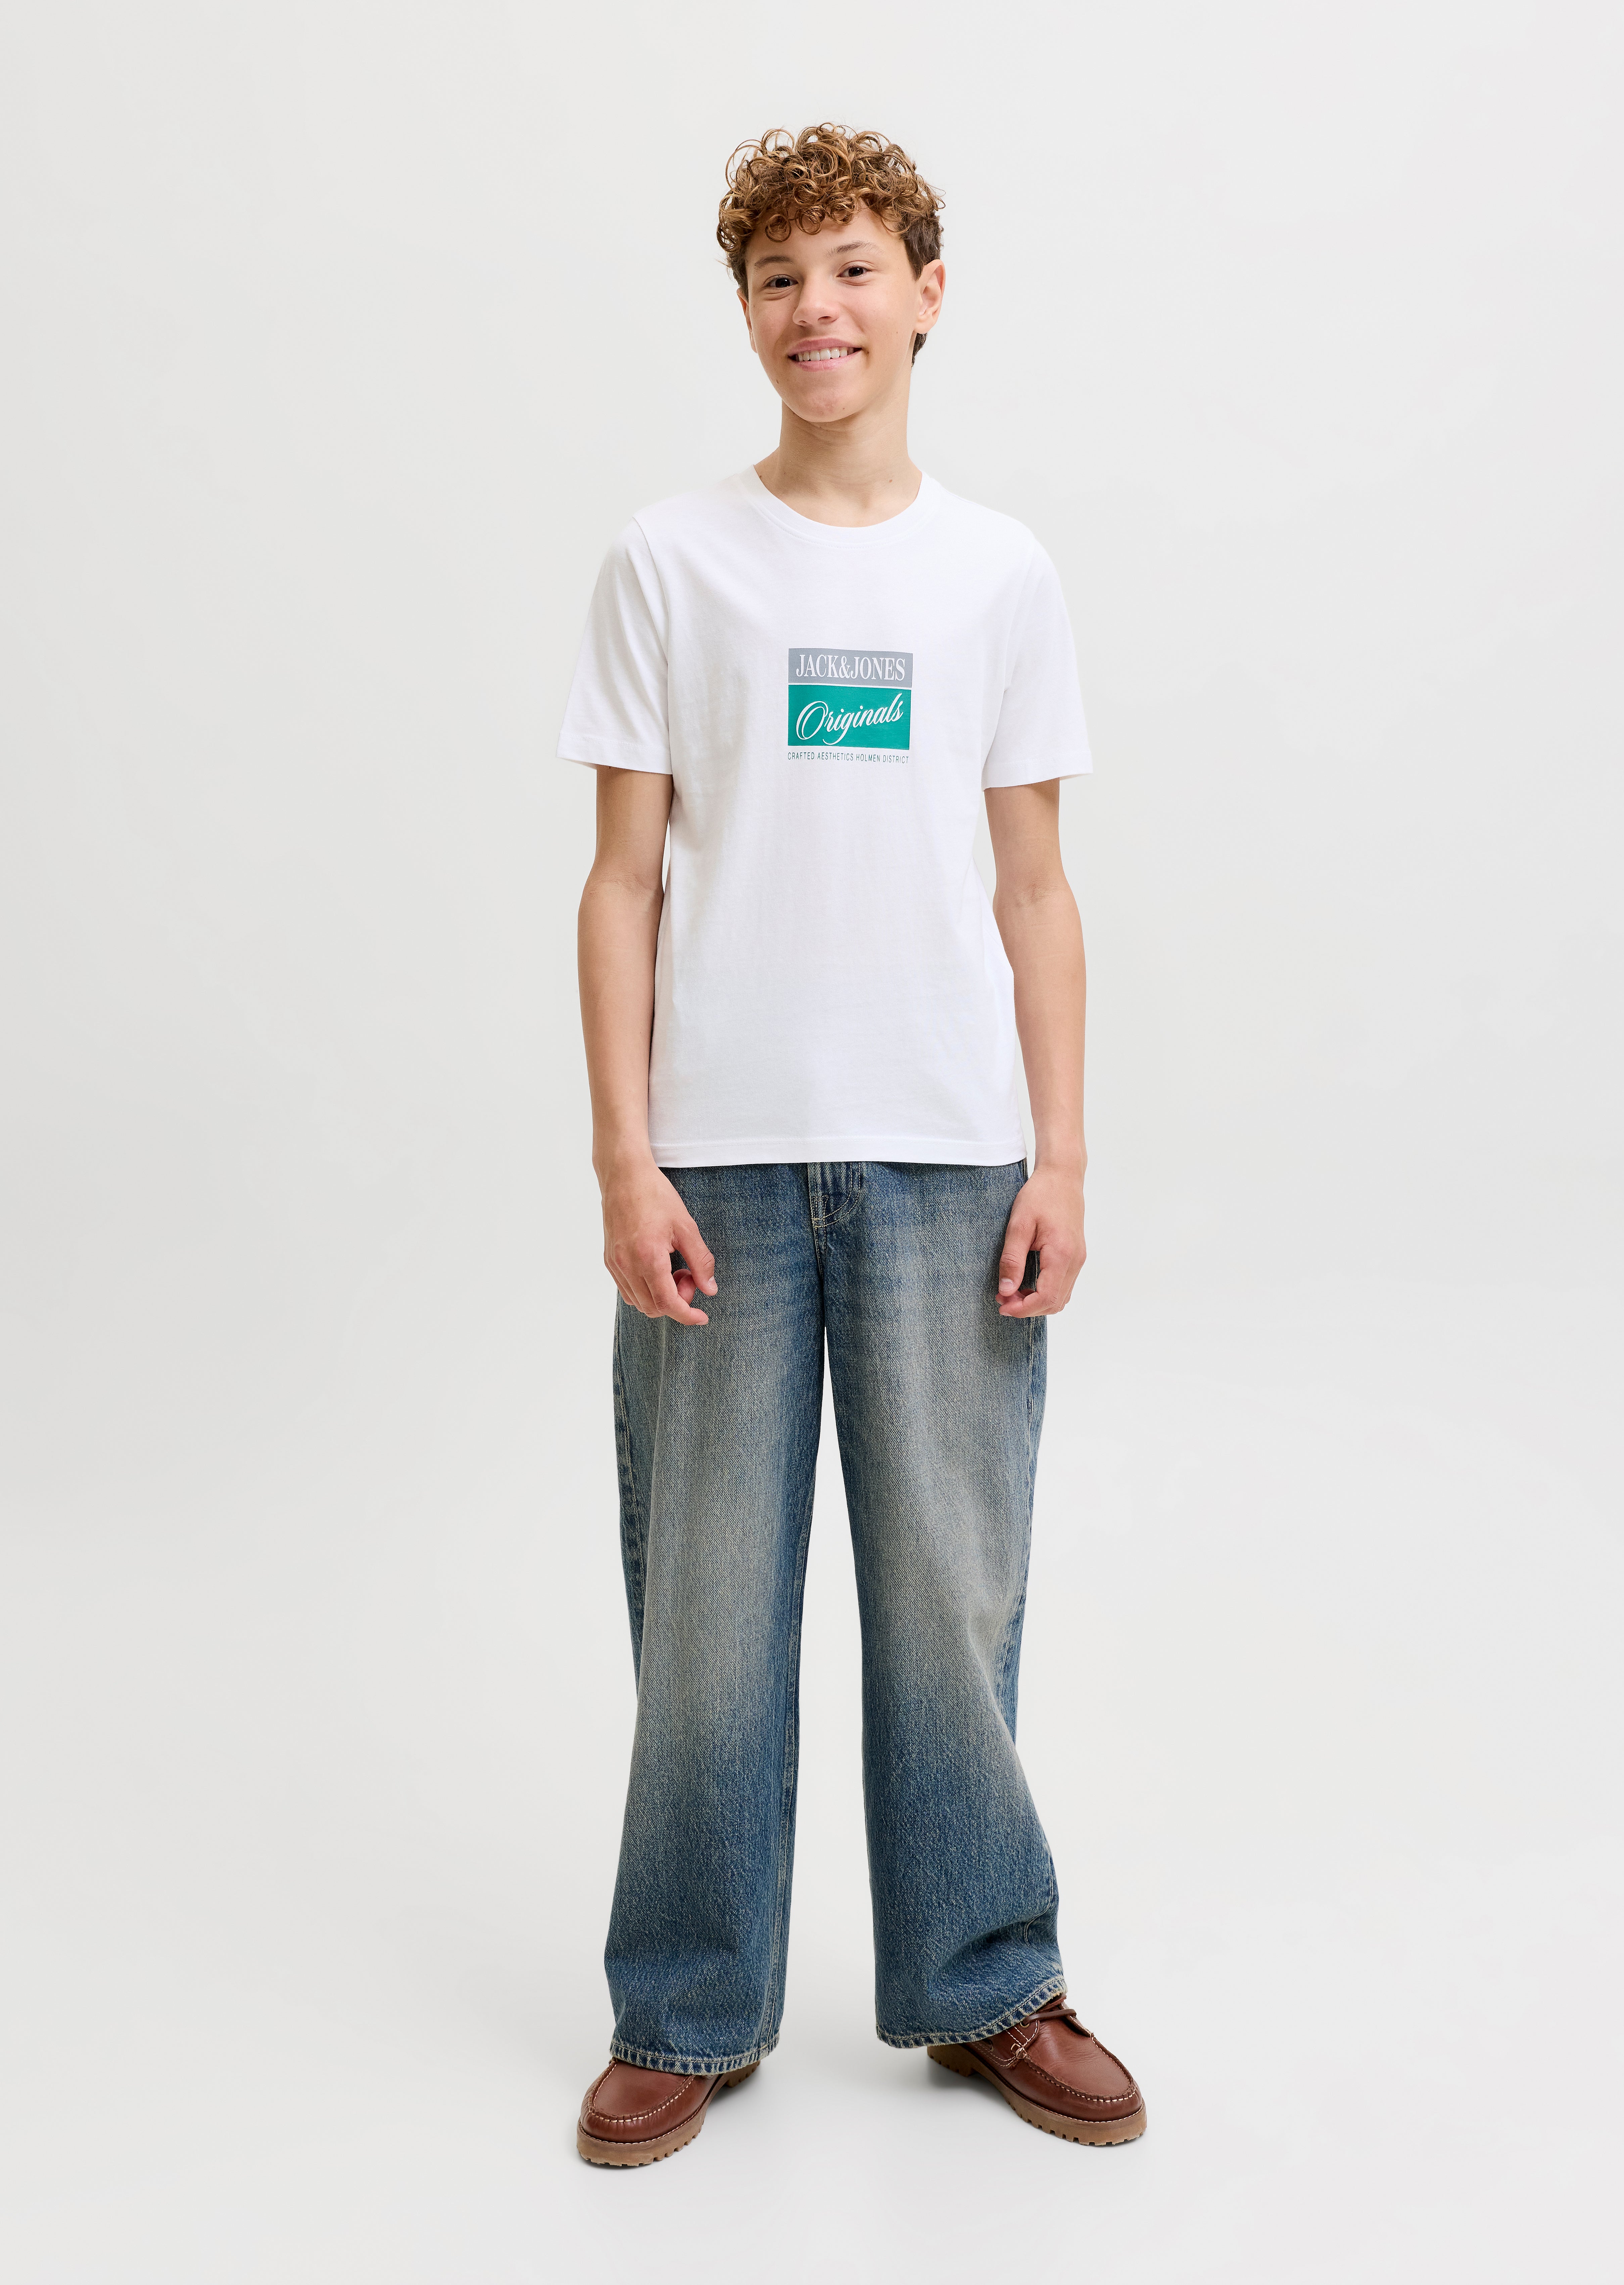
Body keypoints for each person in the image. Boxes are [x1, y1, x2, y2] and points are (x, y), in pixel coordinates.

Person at [559, 123, 1144, 2166]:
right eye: (777, 278)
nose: (816, 308)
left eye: (852, 267)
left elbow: (1036, 888)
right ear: (746, 316)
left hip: (949, 1158)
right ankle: (686, 2005)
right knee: (707, 1613)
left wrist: (1061, 1157)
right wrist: (624, 1159)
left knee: (951, 1598)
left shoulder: (999, 572)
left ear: (925, 292)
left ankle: (988, 1980)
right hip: (719, 1159)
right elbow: (622, 882)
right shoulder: (669, 561)